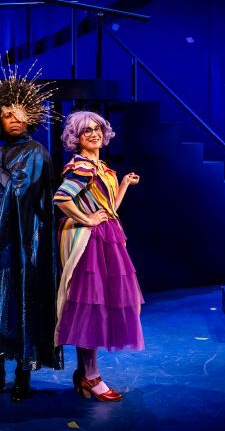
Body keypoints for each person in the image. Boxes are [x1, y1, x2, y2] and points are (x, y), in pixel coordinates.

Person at [0, 59, 63, 402]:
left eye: (21, 114)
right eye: (8, 115)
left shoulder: (36, 152)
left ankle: (22, 375)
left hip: (21, 246)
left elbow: (21, 194)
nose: (16, 120)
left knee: (21, 306)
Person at [53, 111, 144, 402]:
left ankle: (84, 374)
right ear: (76, 138)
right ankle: (91, 376)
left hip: (106, 235)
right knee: (91, 306)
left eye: (97, 129)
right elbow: (61, 198)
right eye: (86, 131)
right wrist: (87, 219)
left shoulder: (100, 167)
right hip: (90, 241)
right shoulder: (81, 166)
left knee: (98, 304)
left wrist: (124, 184)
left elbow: (109, 208)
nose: (93, 134)